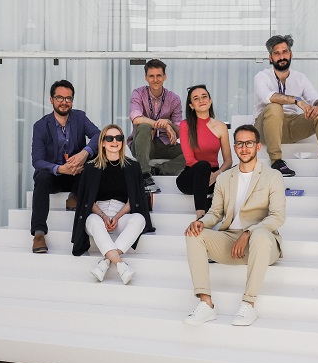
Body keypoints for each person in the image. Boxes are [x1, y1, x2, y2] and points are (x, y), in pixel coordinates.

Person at [183, 124, 286, 327]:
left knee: (260, 235)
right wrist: (200, 222)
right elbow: (215, 213)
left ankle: (248, 304)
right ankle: (206, 304)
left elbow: (277, 217)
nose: (244, 148)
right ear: (234, 147)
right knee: (193, 233)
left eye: (249, 143)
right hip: (231, 241)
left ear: (258, 146)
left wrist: (248, 232)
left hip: (262, 243)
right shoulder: (224, 178)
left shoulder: (272, 176)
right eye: (240, 143)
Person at [71, 124, 153, 285]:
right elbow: (87, 201)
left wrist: (117, 217)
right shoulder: (91, 167)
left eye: (118, 138)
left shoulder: (132, 167)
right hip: (97, 213)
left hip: (121, 213)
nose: (114, 141)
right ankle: (120, 264)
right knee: (92, 220)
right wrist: (103, 216)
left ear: (122, 142)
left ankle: (106, 261)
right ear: (102, 142)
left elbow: (133, 200)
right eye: (109, 138)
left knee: (139, 219)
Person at [31, 80, 101, 254]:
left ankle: (74, 196)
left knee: (93, 159)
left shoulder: (79, 117)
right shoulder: (40, 126)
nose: (64, 102)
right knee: (41, 176)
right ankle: (39, 234)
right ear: (51, 99)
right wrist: (60, 169)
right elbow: (37, 160)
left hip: (77, 173)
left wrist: (84, 153)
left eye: (68, 98)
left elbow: (98, 135)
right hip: (54, 177)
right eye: (59, 98)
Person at [254, 34, 318, 178]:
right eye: (277, 53)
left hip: (291, 127)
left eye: (285, 52)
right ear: (270, 57)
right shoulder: (262, 76)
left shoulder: (300, 77)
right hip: (265, 127)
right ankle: (276, 161)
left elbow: (317, 98)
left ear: (290, 54)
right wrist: (296, 100)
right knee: (275, 107)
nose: (282, 57)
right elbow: (267, 97)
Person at [176, 85, 233, 219]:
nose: (201, 100)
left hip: (214, 177)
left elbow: (228, 161)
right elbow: (189, 159)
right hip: (191, 177)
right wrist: (207, 175)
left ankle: (211, 202)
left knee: (239, 170)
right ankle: (200, 215)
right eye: (196, 98)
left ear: (210, 100)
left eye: (204, 96)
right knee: (203, 165)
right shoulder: (185, 125)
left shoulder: (221, 126)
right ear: (191, 105)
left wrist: (216, 174)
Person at [129, 59, 185, 193]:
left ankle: (158, 170)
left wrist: (168, 123)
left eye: (159, 75)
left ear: (164, 77)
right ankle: (144, 175)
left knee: (192, 152)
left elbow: (179, 132)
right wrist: (159, 124)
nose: (155, 80)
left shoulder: (174, 99)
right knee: (144, 126)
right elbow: (135, 118)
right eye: (151, 76)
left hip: (164, 144)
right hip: (142, 144)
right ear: (146, 78)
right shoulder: (138, 93)